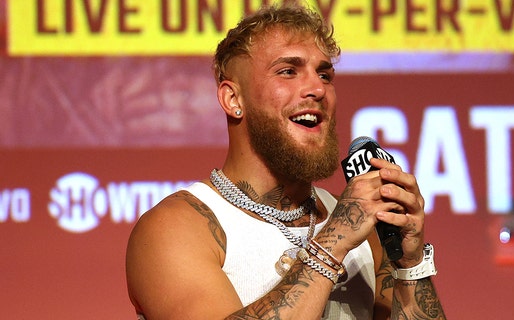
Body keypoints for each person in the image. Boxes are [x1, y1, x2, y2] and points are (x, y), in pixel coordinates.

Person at [126, 3, 446, 320]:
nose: (317, 88)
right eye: (288, 71)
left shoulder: (363, 229)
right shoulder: (176, 228)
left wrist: (410, 263)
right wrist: (331, 244)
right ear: (233, 99)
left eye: (324, 74)